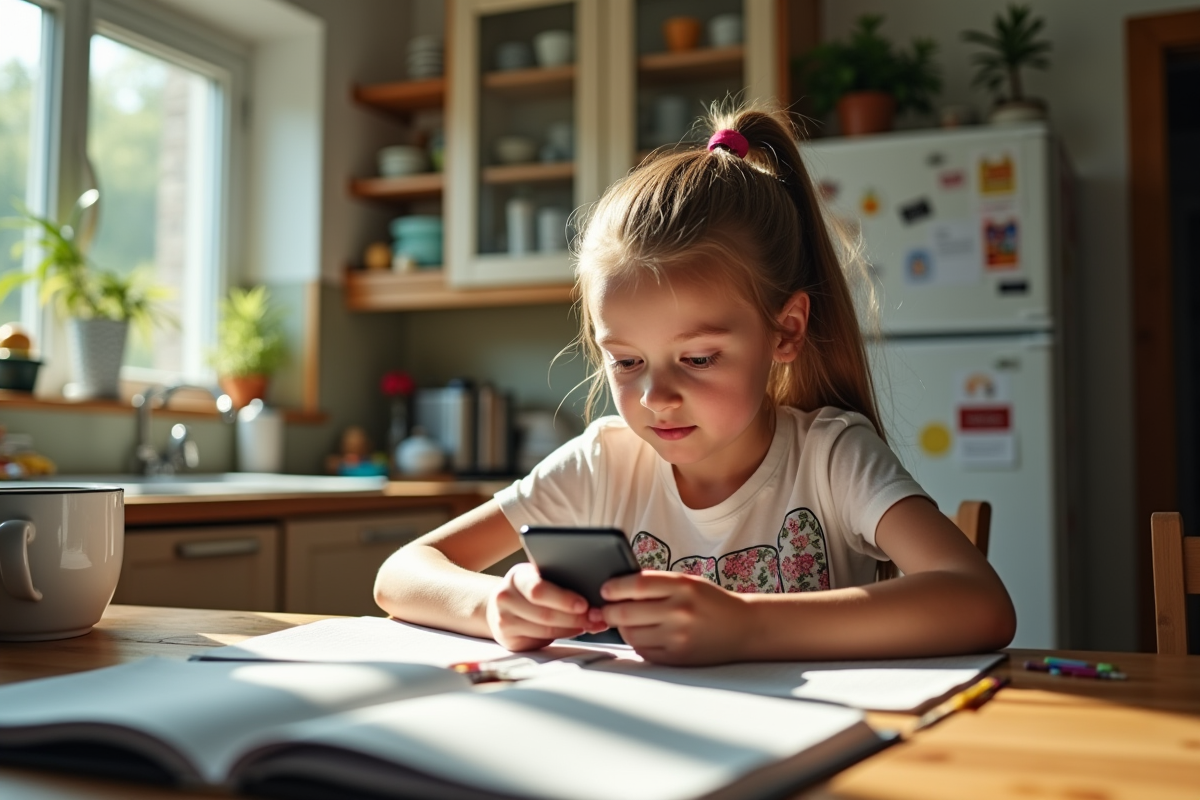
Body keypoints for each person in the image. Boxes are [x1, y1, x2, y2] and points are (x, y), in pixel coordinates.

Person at [374, 104, 1016, 666]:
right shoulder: (604, 461)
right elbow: (399, 573)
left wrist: (748, 624)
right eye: (625, 361)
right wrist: (495, 606)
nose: (656, 398)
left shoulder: (830, 456)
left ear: (785, 331)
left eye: (700, 358)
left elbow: (980, 603)